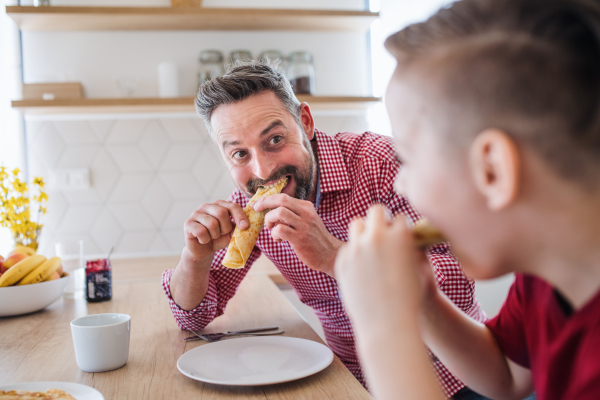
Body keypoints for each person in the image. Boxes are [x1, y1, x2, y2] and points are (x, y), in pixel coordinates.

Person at [161, 61, 487, 397]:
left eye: (274, 139)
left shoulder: (383, 163)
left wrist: (334, 256)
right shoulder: (248, 210)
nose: (263, 169)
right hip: (346, 380)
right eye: (240, 154)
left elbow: (459, 287)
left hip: (453, 374)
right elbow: (193, 319)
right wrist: (195, 257)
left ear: (305, 122)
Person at [335, 0, 600, 399]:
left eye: (406, 158)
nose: (402, 186)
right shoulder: (543, 272)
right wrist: (424, 302)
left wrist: (384, 326)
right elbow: (508, 380)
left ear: (493, 170)